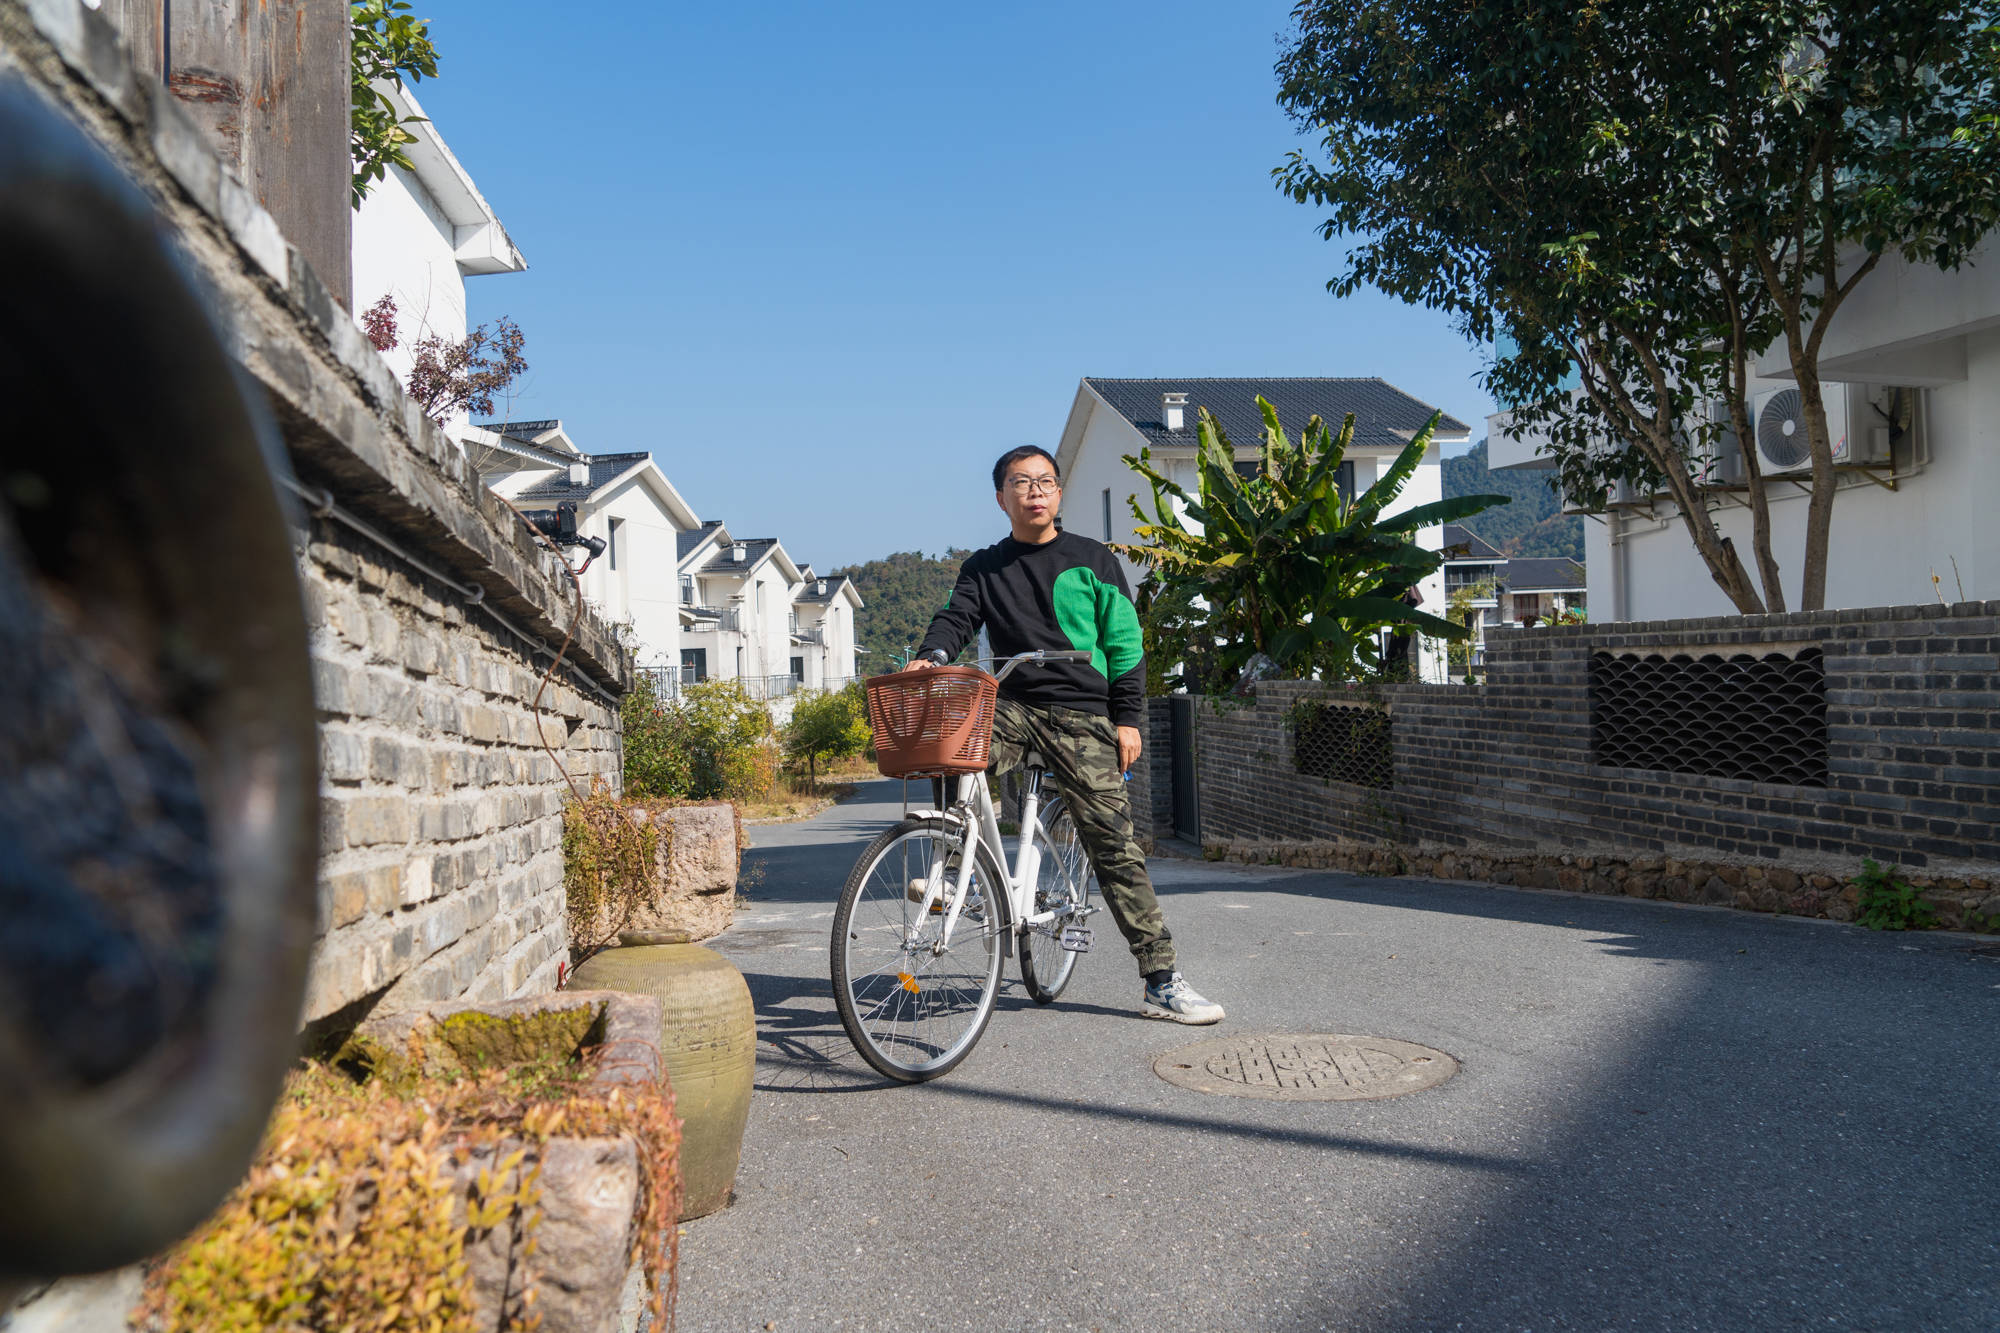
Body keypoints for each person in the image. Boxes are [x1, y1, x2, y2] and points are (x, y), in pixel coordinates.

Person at [902, 444, 1225, 1024]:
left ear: (1057, 494)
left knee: (1113, 845)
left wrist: (1127, 718)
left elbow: (1125, 644)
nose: (1035, 491)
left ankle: (1161, 980)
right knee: (948, 738)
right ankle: (957, 869)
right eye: (1022, 482)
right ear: (1001, 497)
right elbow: (955, 618)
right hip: (1015, 705)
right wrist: (931, 657)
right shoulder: (983, 566)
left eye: (1046, 482)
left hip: (1083, 713)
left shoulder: (1092, 559)